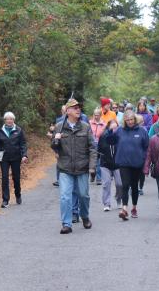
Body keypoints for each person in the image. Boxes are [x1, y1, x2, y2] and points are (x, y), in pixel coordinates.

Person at [51, 99, 97, 234]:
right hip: (65, 168)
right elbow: (53, 146)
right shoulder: (59, 126)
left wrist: (92, 167)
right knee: (65, 196)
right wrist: (56, 139)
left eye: (79, 107)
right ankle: (66, 223)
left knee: (83, 195)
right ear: (68, 111)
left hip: (82, 167)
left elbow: (92, 148)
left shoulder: (85, 127)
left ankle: (85, 216)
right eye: (75, 108)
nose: (78, 110)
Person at [107, 111, 149, 220]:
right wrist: (111, 130)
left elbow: (146, 146)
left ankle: (134, 207)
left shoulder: (141, 131)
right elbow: (110, 141)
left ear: (135, 120)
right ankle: (124, 209)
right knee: (125, 185)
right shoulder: (120, 131)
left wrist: (143, 159)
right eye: (128, 120)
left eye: (131, 119)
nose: (130, 122)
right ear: (124, 121)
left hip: (137, 163)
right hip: (123, 162)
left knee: (134, 186)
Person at [0, 112, 28, 208]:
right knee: (4, 178)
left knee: (16, 178)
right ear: (5, 120)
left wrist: (24, 155)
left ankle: (18, 194)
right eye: (7, 119)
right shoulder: (0, 131)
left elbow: (23, 144)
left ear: (13, 120)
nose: (9, 121)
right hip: (3, 158)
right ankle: (5, 200)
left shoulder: (19, 130)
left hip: (16, 157)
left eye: (11, 119)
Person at [98, 119, 123, 211]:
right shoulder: (103, 136)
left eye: (116, 127)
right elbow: (99, 149)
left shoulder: (120, 136)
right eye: (112, 127)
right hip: (105, 163)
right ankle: (107, 203)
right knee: (106, 183)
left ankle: (119, 199)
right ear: (108, 127)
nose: (114, 129)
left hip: (117, 164)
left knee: (120, 184)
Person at [89, 107, 106, 184]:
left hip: (100, 145)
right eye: (95, 115)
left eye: (98, 115)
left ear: (100, 115)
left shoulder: (104, 124)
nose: (96, 117)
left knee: (99, 162)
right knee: (92, 161)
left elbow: (105, 135)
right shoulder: (89, 123)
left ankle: (99, 178)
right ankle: (93, 174)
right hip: (91, 144)